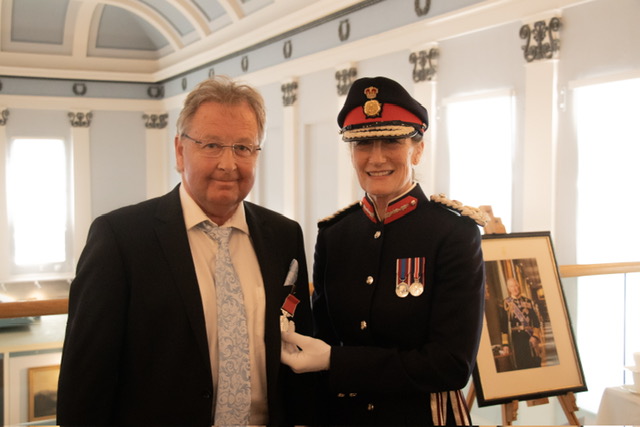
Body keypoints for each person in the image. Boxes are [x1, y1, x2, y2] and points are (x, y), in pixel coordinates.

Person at [57, 75, 313, 426]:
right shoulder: (120, 239)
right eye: (211, 145)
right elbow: (84, 384)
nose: (228, 164)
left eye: (243, 147)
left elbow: (299, 354)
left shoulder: (284, 236)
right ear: (180, 151)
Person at [281, 76, 486, 426]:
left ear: (417, 149)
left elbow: (452, 365)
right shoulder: (334, 235)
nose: (376, 158)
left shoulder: (453, 233)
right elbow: (323, 337)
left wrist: (337, 361)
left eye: (391, 140)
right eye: (362, 143)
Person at [500, 277, 542, 370]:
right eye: (511, 286)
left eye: (516, 285)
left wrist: (534, 336)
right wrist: (505, 344)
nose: (514, 289)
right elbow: (503, 326)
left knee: (534, 363)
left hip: (529, 337)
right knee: (521, 364)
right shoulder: (506, 303)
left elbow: (536, 322)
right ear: (508, 288)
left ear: (519, 286)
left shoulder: (528, 302)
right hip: (516, 339)